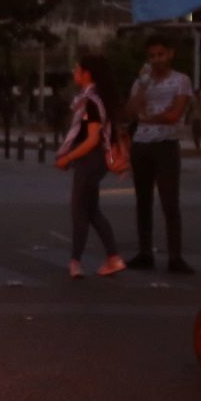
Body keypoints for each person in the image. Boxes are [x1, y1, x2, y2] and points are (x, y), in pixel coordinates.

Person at [123, 34, 194, 273]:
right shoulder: (142, 81)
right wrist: (142, 86)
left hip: (166, 143)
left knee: (169, 200)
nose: (156, 60)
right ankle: (145, 252)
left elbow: (175, 114)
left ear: (170, 54)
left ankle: (175, 256)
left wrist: (149, 117)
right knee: (143, 201)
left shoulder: (181, 81)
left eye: (160, 54)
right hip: (142, 143)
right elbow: (131, 111)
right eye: (152, 56)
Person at [56, 55, 124, 279]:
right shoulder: (93, 99)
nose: (74, 71)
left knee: (79, 211)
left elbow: (93, 138)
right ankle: (113, 258)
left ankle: (76, 262)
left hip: (91, 160)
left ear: (87, 73)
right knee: (92, 210)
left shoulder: (92, 101)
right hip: (92, 160)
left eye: (77, 68)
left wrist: (68, 158)